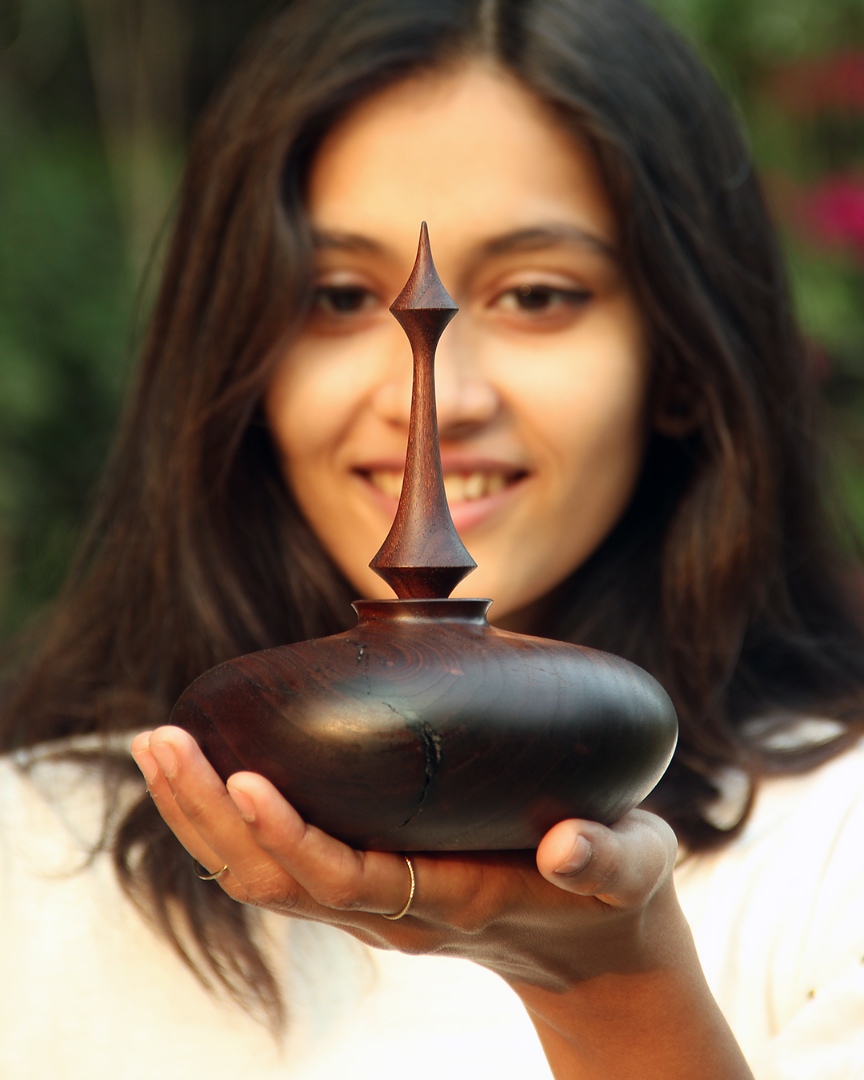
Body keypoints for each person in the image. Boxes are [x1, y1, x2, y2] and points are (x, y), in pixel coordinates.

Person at [2, 0, 863, 1076]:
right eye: (336, 294)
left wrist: (608, 979)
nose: (437, 398)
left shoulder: (838, 846)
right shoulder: (30, 854)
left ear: (682, 359)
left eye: (540, 294)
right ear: (238, 354)